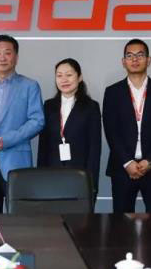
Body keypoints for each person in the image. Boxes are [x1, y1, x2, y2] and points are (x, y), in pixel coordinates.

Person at [0, 35, 45, 213]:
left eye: (7, 53)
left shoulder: (29, 86)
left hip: (16, 163)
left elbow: (37, 121)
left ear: (16, 57)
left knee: (19, 221)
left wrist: (8, 140)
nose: (2, 58)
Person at [102, 39, 151, 214]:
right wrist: (127, 162)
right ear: (123, 61)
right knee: (121, 224)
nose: (135, 59)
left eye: (140, 55)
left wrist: (150, 160)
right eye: (130, 56)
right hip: (123, 168)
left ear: (148, 60)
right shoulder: (112, 92)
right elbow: (111, 131)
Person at [37, 58, 102, 196]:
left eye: (69, 75)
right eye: (59, 75)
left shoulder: (91, 107)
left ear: (80, 77)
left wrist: (91, 182)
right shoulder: (48, 106)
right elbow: (43, 146)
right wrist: (40, 176)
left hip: (80, 177)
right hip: (52, 175)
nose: (64, 80)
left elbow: (94, 148)